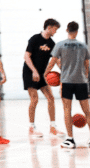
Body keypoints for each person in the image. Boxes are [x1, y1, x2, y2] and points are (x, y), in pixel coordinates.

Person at [44, 21, 90, 149]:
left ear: (66, 30)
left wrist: (46, 74)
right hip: (81, 82)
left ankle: (70, 140)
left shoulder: (60, 45)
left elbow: (52, 62)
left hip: (67, 82)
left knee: (66, 110)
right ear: (77, 31)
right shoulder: (83, 46)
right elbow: (87, 65)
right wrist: (85, 78)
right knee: (87, 111)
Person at [23, 18, 62, 137]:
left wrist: (64, 72)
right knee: (34, 99)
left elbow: (56, 60)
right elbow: (26, 56)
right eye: (55, 29)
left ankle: (53, 127)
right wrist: (34, 71)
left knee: (51, 98)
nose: (56, 31)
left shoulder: (51, 43)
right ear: (49, 27)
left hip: (42, 75)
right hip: (30, 73)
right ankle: (31, 127)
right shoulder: (35, 39)